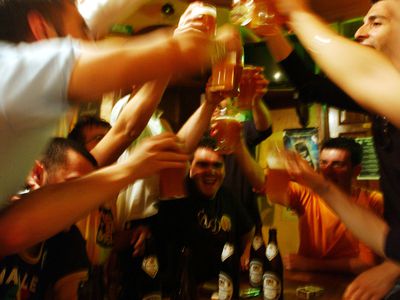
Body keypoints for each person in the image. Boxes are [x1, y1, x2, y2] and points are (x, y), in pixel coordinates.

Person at [0, 0, 239, 255]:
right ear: (41, 31)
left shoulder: (25, 107)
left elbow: (12, 232)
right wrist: (220, 44)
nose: (93, 41)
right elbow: (175, 53)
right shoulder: (12, 69)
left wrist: (133, 168)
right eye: (83, 31)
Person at [255, 0, 400, 297]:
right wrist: (271, 30)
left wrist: (296, 12)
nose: (359, 32)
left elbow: (365, 75)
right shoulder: (375, 103)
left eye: (376, 22)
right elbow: (308, 85)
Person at [265, 137, 383, 274]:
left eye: (337, 164)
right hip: (307, 283)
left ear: (356, 171)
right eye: (324, 163)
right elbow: (274, 194)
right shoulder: (307, 194)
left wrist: (310, 264)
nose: (327, 170)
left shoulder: (373, 201)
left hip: (350, 284)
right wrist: (276, 164)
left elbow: (366, 264)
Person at [0, 138, 97, 299]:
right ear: (38, 174)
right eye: (72, 187)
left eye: (87, 196)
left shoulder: (68, 239)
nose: (81, 205)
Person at [219, 69, 273, 271]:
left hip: (246, 222)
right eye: (219, 101)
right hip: (213, 221)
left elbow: (263, 127)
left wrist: (256, 102)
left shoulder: (239, 127)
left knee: (254, 275)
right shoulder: (203, 133)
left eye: (228, 98)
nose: (224, 103)